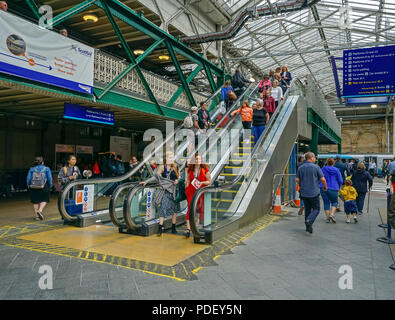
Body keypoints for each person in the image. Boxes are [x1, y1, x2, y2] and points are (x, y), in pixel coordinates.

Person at [140, 152, 180, 236]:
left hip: (174, 191)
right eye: (170, 157)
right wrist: (146, 182)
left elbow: (179, 176)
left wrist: (177, 181)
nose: (171, 159)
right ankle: (160, 227)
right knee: (163, 208)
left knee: (174, 209)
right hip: (165, 191)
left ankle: (173, 226)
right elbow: (156, 177)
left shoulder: (175, 166)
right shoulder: (162, 167)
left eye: (172, 157)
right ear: (166, 158)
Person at [296, 152, 328, 234]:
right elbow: (323, 179)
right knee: (316, 209)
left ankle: (308, 227)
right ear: (311, 158)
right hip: (314, 192)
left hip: (304, 192)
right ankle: (309, 220)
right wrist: (325, 186)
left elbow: (297, 180)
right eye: (314, 157)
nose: (315, 159)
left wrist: (301, 185)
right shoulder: (316, 167)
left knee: (307, 209)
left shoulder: (300, 167)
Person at [185, 153, 211, 238]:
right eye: (196, 159)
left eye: (199, 159)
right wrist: (186, 184)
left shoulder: (205, 169)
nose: (197, 161)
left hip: (200, 192)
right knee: (190, 208)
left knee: (199, 209)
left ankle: (196, 226)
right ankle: (188, 229)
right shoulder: (190, 169)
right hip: (191, 192)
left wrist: (202, 183)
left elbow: (209, 182)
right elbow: (188, 179)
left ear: (201, 160)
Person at [26, 156, 53, 220]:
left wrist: (28, 185)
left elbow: (28, 179)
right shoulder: (46, 169)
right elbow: (49, 178)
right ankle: (40, 210)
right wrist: (50, 185)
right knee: (45, 199)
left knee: (35, 201)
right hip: (43, 186)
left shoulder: (31, 169)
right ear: (42, 162)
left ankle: (37, 216)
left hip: (33, 187)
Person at [320, 158, 343, 223]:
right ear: (333, 163)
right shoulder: (337, 170)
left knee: (326, 202)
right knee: (334, 202)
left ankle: (327, 218)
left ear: (327, 162)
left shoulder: (323, 169)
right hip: (334, 188)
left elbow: (320, 178)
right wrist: (339, 186)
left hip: (323, 187)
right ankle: (332, 214)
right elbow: (340, 180)